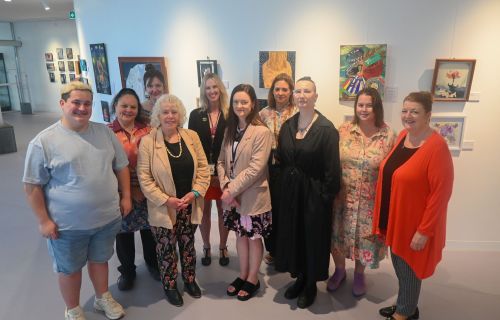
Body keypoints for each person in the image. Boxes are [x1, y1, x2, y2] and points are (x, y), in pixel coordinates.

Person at [23, 82, 129, 320]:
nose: (82, 108)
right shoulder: (43, 142)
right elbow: (31, 186)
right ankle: (73, 309)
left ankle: (102, 298)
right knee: (70, 270)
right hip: (67, 226)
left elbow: (121, 166)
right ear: (63, 104)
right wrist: (43, 221)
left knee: (100, 261)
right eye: (76, 102)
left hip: (106, 218)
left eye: (87, 103)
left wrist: (127, 197)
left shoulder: (104, 133)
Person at [372, 92, 454, 320]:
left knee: (409, 268)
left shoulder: (437, 147)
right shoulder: (403, 137)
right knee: (400, 264)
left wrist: (424, 231)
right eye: (404, 111)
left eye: (414, 111)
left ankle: (405, 313)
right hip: (396, 217)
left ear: (428, 115)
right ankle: (406, 304)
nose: (408, 116)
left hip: (414, 223)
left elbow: (441, 193)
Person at [137, 94, 210, 307]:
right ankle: (169, 285)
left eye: (174, 112)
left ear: (181, 115)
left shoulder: (191, 136)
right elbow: (145, 178)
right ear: (158, 116)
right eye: (165, 112)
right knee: (166, 248)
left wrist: (195, 193)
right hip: (163, 207)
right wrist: (166, 200)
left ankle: (189, 279)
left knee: (188, 244)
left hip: (188, 204)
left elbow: (204, 170)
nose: (170, 116)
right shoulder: (148, 141)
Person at [275, 76, 341, 309]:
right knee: (295, 236)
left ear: (315, 96)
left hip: (314, 196)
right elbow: (282, 160)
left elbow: (333, 170)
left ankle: (311, 283)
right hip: (291, 195)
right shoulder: (288, 125)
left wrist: (324, 198)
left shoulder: (326, 129)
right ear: (294, 95)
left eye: (307, 91)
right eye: (299, 91)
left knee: (312, 239)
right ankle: (300, 278)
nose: (302, 95)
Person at [329, 88, 396, 296]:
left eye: (369, 105)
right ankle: (339, 271)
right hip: (342, 198)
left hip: (370, 201)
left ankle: (359, 273)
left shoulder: (388, 134)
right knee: (337, 236)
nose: (364, 109)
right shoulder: (343, 130)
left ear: (377, 108)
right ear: (355, 106)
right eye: (360, 105)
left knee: (364, 239)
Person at [217, 84, 273, 301]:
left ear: (252, 104)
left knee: (253, 238)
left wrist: (231, 189)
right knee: (240, 235)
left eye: (244, 102)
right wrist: (224, 185)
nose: (239, 106)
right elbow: (221, 162)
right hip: (232, 196)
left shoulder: (262, 132)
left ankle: (253, 278)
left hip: (251, 195)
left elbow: (255, 169)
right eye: (236, 102)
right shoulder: (229, 130)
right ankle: (242, 274)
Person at [108, 88, 160, 291]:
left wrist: (144, 189)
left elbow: (156, 161)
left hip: (147, 190)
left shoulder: (148, 131)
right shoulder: (107, 132)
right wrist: (125, 193)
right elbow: (107, 167)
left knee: (150, 231)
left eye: (133, 107)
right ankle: (127, 271)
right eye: (124, 106)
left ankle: (153, 265)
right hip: (120, 193)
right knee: (123, 234)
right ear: (115, 106)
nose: (128, 110)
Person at [188, 73, 230, 267]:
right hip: (203, 172)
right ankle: (205, 246)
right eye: (208, 88)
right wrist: (203, 172)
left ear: (221, 89)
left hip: (224, 172)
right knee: (204, 212)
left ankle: (222, 246)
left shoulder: (230, 115)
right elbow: (191, 146)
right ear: (203, 91)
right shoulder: (196, 115)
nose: (212, 91)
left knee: (223, 211)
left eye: (215, 87)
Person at [259, 73, 297, 265]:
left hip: (290, 167)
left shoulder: (298, 112)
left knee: (287, 209)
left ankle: (288, 250)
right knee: (270, 208)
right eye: (277, 89)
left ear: (291, 92)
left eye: (284, 89)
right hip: (268, 167)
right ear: (272, 92)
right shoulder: (263, 113)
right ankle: (273, 250)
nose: (280, 93)